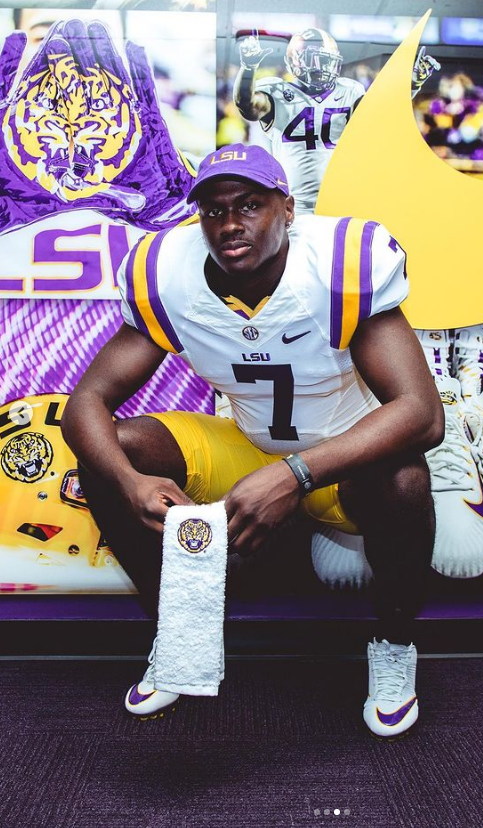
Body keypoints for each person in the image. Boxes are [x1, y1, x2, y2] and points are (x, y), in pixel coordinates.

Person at [61, 143, 444, 738]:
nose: (230, 224)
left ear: (287, 209)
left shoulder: (337, 266)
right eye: (214, 211)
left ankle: (394, 644)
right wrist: (129, 482)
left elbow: (421, 413)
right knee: (117, 450)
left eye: (249, 205)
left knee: (405, 478)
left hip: (343, 460)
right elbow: (86, 402)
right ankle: (179, 633)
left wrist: (294, 474)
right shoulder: (169, 274)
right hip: (249, 446)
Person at [233, 28, 439, 213]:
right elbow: (247, 105)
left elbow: (380, 113)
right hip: (293, 205)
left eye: (328, 61)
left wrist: (412, 83)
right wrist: (248, 68)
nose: (324, 68)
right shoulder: (278, 91)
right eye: (316, 60)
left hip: (341, 199)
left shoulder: (348, 90)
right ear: (296, 60)